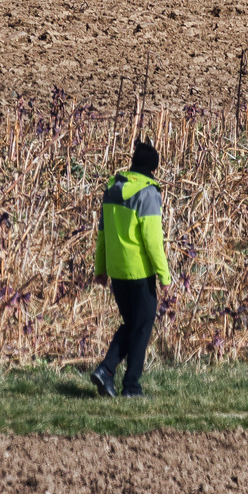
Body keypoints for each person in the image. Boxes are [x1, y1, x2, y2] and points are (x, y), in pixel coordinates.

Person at [90, 140, 171, 399]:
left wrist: (100, 268)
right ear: (153, 169)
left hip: (117, 272)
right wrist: (164, 275)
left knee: (133, 324)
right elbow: (152, 240)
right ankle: (131, 387)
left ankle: (106, 372)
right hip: (139, 272)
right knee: (142, 325)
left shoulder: (113, 188)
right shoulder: (148, 193)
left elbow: (102, 233)